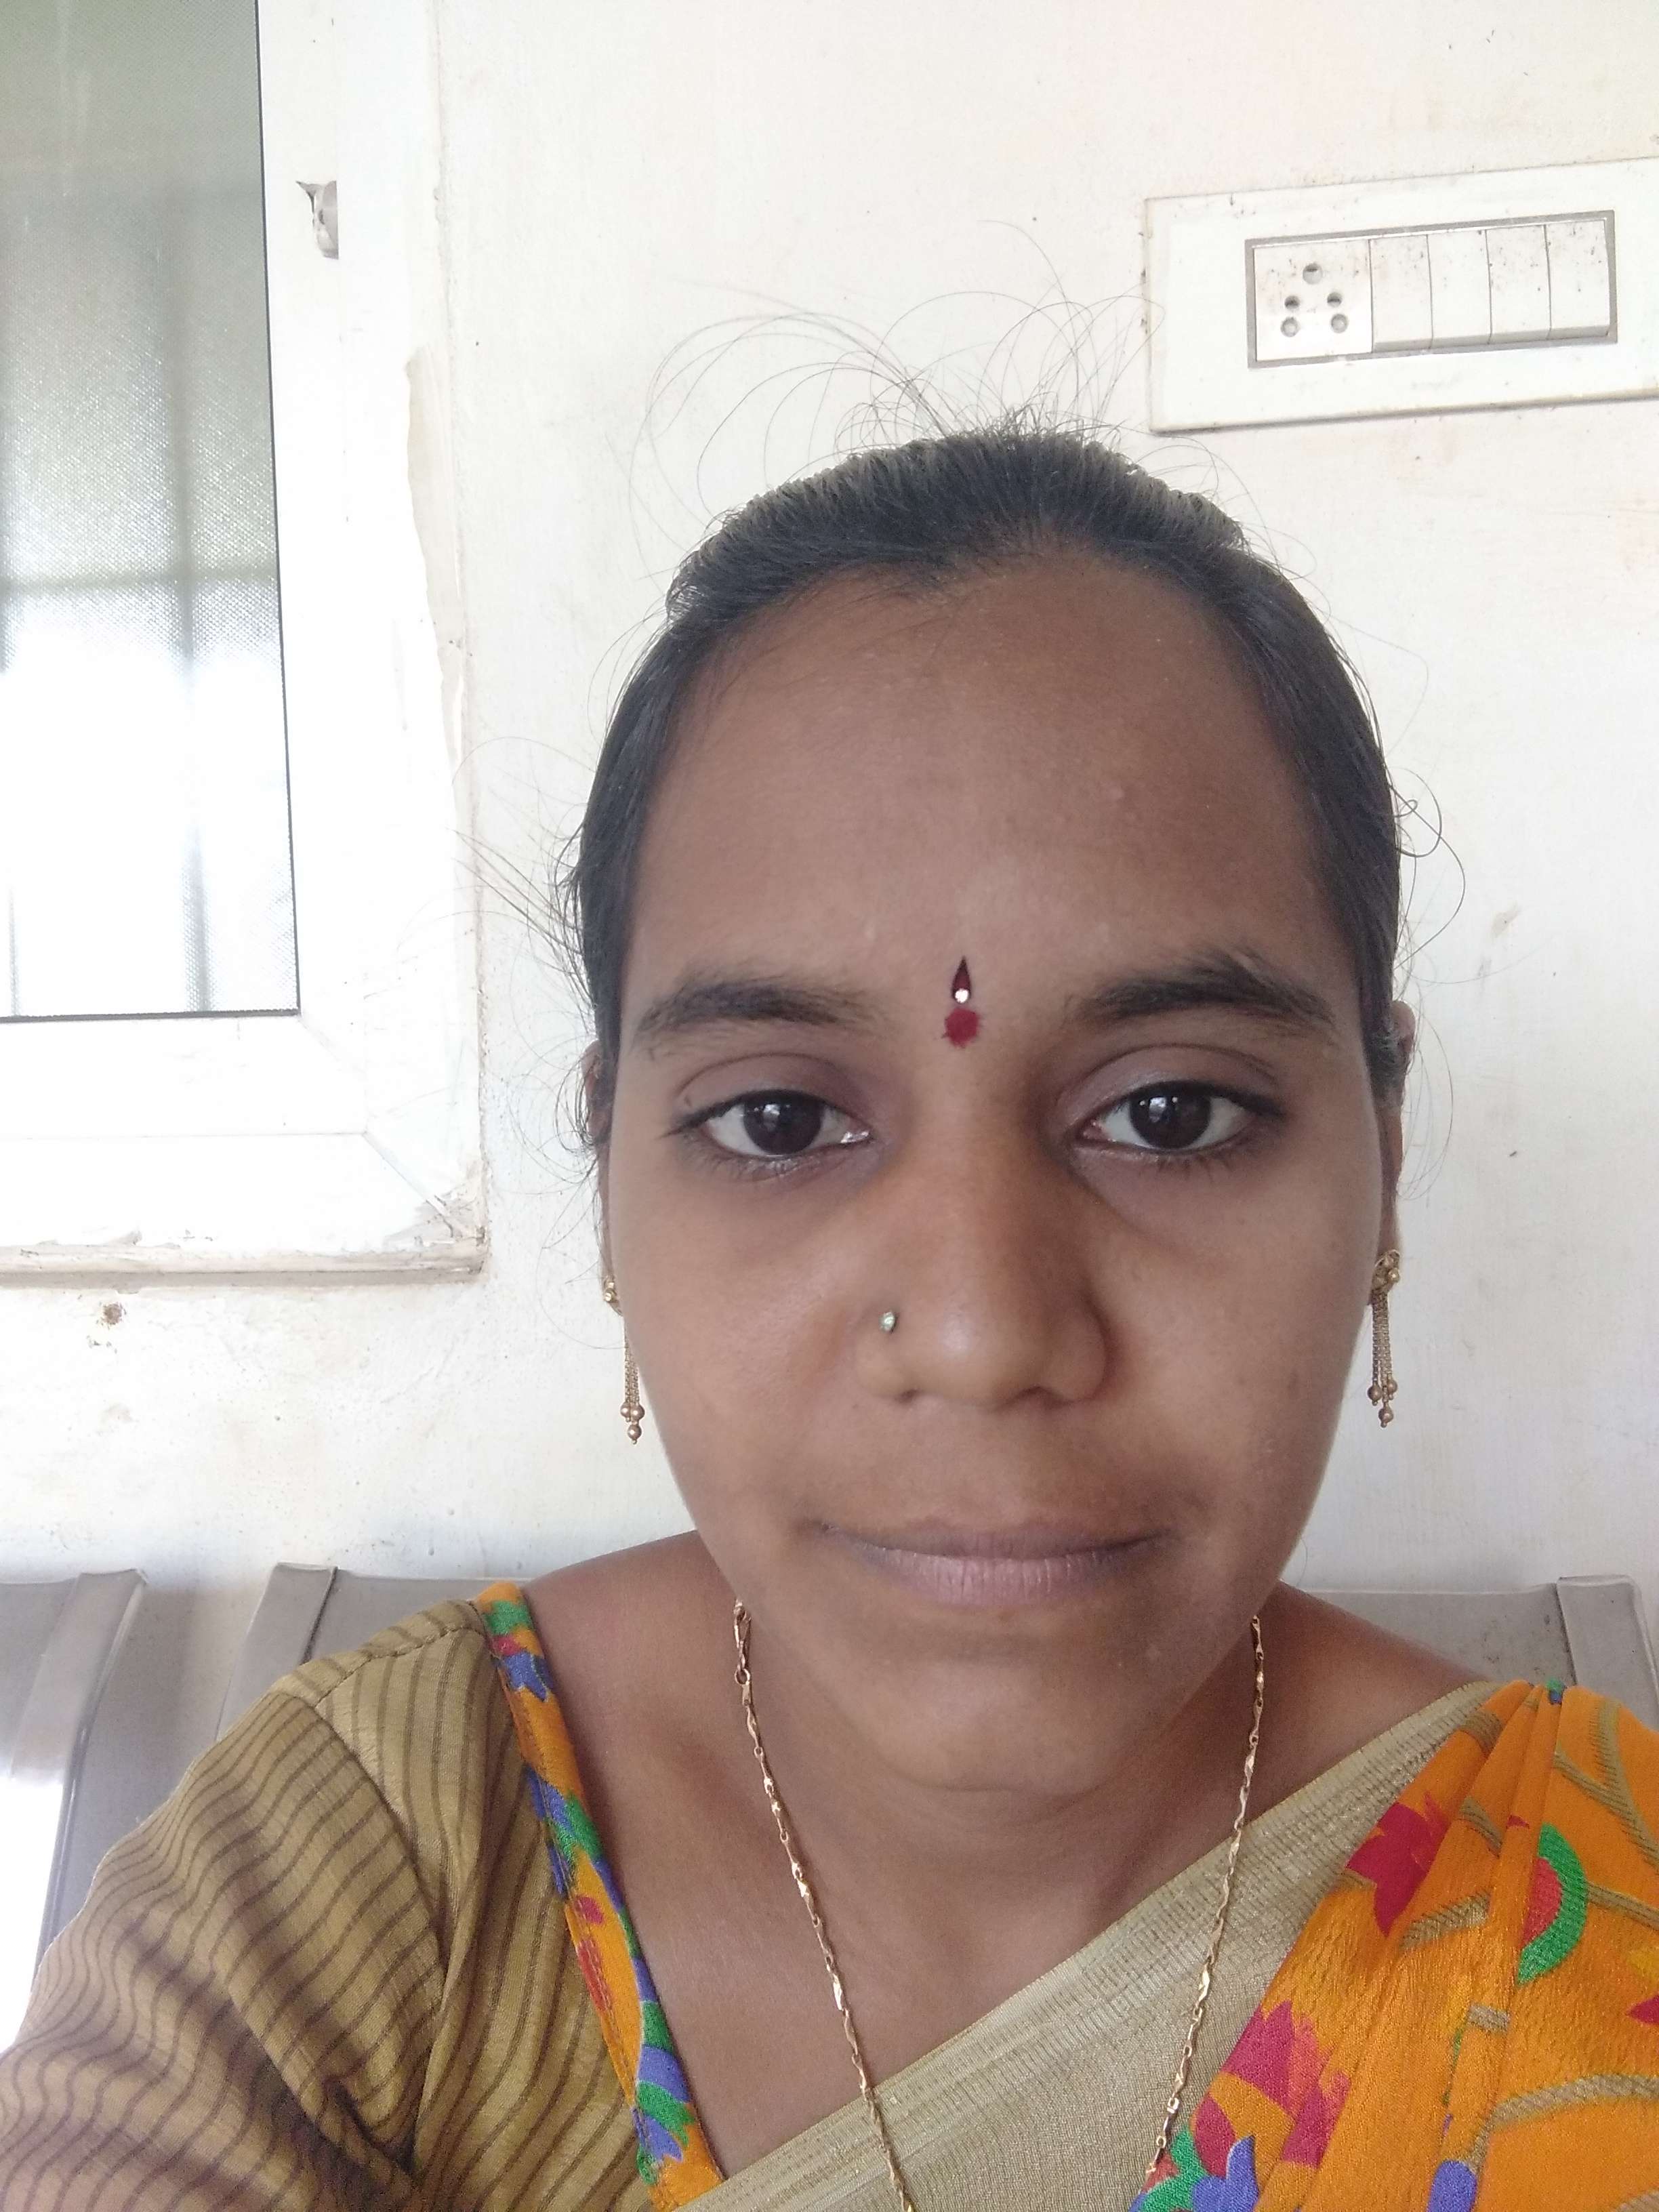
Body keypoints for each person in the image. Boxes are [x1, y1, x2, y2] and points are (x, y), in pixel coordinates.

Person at [3, 425, 1656, 2212]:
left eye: (1171, 1112)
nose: (979, 1334)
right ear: (611, 1171)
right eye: (781, 1120)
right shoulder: (370, 1873)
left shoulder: (1590, 1928)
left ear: (1384, 1161)